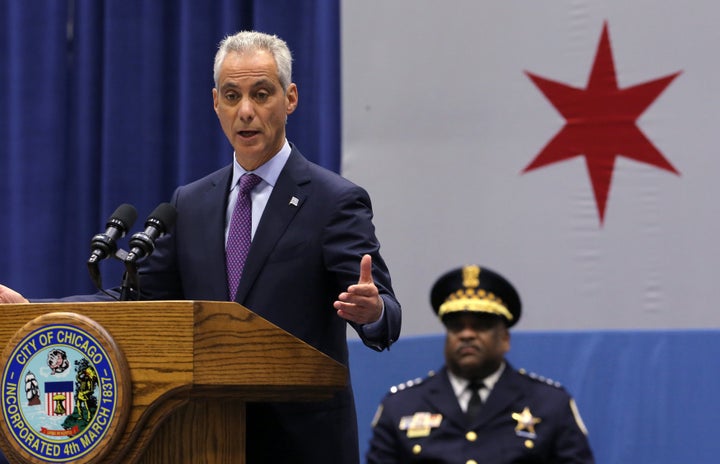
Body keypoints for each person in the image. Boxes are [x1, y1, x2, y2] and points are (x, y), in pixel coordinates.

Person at [0, 31, 401, 464]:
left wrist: (374, 311)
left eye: (261, 94)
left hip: (301, 444)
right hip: (202, 439)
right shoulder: (190, 202)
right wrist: (32, 309)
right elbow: (135, 299)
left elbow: (386, 314)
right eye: (232, 96)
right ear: (215, 104)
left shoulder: (333, 200)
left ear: (290, 98)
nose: (245, 111)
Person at [366, 265, 593, 463]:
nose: (467, 335)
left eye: (480, 326)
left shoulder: (550, 404)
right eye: (456, 326)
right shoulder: (402, 406)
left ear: (505, 339)